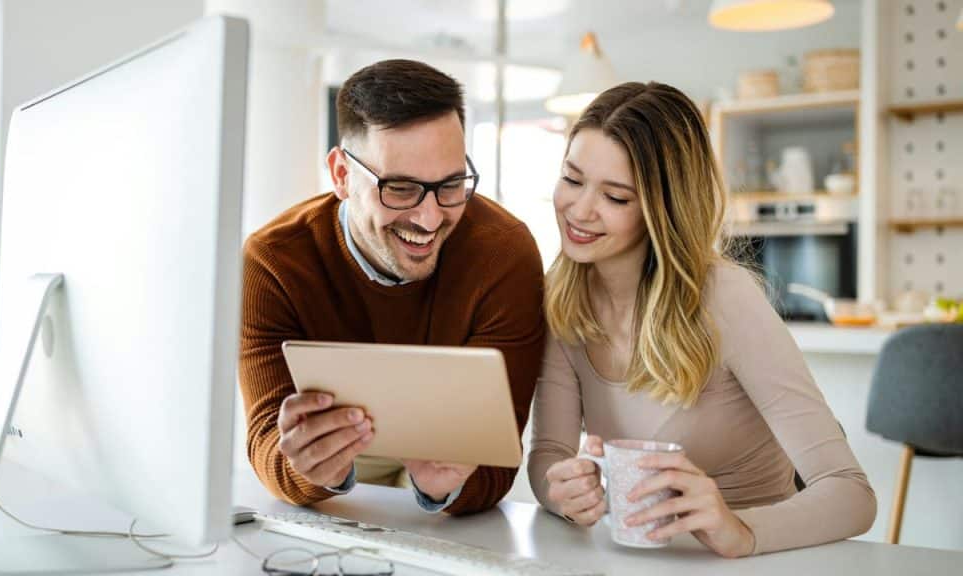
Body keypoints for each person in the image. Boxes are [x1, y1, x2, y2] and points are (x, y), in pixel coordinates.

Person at [528, 82, 876, 556]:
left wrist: (738, 530)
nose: (580, 210)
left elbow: (851, 494)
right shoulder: (562, 298)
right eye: (572, 179)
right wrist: (566, 493)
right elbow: (549, 453)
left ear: (662, 210)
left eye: (616, 197)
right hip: (642, 561)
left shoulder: (726, 298)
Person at [239, 59, 545, 515]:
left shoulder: (505, 255)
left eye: (451, 184)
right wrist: (304, 466)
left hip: (442, 463)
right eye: (399, 189)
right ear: (342, 175)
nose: (430, 218)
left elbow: (497, 464)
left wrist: (446, 486)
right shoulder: (273, 262)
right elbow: (268, 441)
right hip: (336, 485)